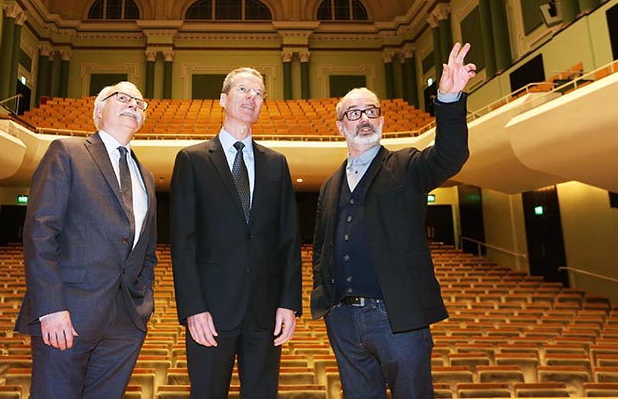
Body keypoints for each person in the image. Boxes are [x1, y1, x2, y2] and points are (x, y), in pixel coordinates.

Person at [311, 43, 475, 399]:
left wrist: (447, 100)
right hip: (342, 320)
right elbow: (321, 248)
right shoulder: (329, 185)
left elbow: (450, 155)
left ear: (382, 121)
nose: (365, 118)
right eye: (354, 113)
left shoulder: (407, 165)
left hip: (396, 318)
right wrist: (326, 302)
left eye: (371, 111)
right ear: (341, 126)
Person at [15, 81, 157, 399]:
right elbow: (40, 233)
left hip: (124, 322)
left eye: (139, 102)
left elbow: (147, 250)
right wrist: (49, 308)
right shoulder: (67, 152)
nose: (133, 104)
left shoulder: (145, 175)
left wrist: (143, 304)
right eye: (123, 98)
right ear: (99, 110)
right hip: (67, 316)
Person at [170, 67, 302, 398]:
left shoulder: (277, 163)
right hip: (210, 313)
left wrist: (288, 302)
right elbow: (183, 242)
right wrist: (192, 308)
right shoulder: (192, 160)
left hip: (265, 312)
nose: (251, 98)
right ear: (223, 99)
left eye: (259, 93)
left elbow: (288, 239)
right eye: (244, 90)